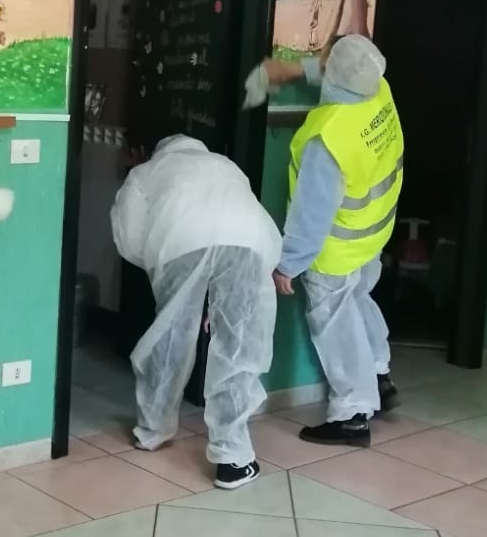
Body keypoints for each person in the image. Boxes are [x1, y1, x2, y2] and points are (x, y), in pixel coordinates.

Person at [111, 136, 281, 489]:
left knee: (171, 334)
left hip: (180, 241)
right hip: (248, 240)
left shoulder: (146, 172)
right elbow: (243, 213)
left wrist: (164, 268)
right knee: (237, 344)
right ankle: (232, 459)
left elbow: (128, 237)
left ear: (160, 150)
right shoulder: (225, 164)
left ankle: (152, 430)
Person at [262, 35, 404, 448]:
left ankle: (353, 415)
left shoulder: (327, 139)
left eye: (323, 57)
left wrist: (288, 264)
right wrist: (292, 69)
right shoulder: (378, 90)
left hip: (336, 247)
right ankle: (379, 374)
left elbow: (312, 212)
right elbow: (337, 69)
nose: (319, 62)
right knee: (360, 300)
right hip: (373, 233)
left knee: (336, 324)